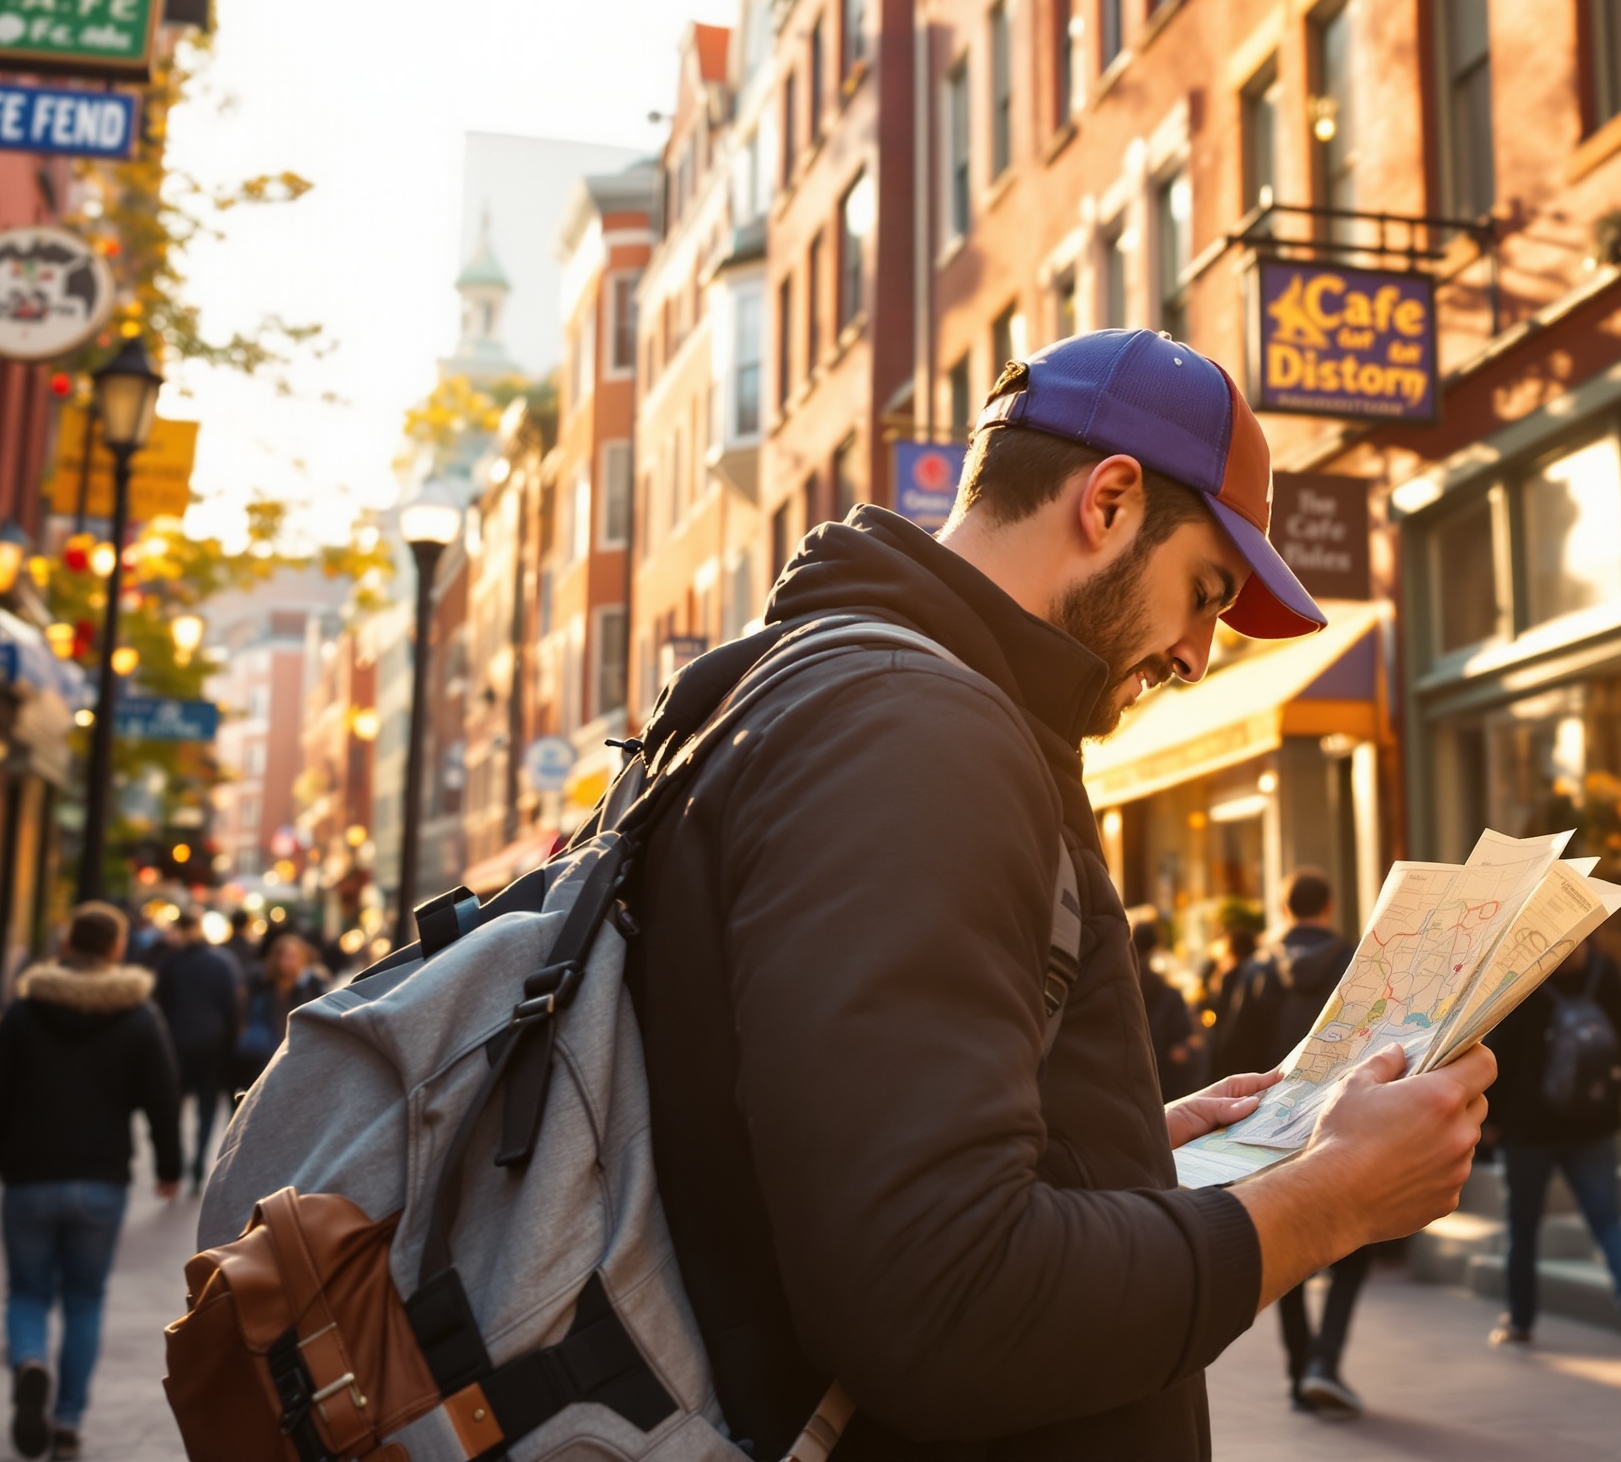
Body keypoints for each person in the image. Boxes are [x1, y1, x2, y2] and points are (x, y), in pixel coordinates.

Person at [626, 329, 1492, 1460]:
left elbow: (815, 1165)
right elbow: (940, 1304)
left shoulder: (836, 692)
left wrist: (1129, 1151)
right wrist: (1331, 1202)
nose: (1196, 654)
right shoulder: (913, 738)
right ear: (1111, 500)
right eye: (1205, 591)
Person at [0, 902, 183, 1461]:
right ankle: (67, 1421)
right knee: (85, 1299)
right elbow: (163, 1098)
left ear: (67, 944)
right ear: (116, 948)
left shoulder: (24, 1012)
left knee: (27, 1292)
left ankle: (30, 1361)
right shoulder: (138, 1016)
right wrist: (170, 1167)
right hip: (100, 1180)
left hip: (28, 1175)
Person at [1483, 938, 1621, 1365]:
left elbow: (1500, 1055)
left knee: (1522, 1228)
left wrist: (1493, 1122)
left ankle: (1521, 1320)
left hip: (1529, 1129)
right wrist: (1608, 1094)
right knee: (1607, 1221)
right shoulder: (1605, 971)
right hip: (1592, 1123)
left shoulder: (1523, 978)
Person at [1249, 870, 1380, 1417]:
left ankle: (1300, 1368)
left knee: (1287, 1241)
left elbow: (1233, 1050)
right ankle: (1324, 1361)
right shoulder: (1357, 962)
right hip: (1343, 1118)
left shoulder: (1257, 971)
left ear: (1285, 908)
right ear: (1327, 907)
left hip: (1272, 1126)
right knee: (1356, 1243)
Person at [150, 919, 243, 1191]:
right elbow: (232, 1006)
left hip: (176, 1043)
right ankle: (198, 1163)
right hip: (212, 1044)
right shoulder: (221, 963)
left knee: (174, 1107)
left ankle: (176, 1164)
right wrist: (230, 1046)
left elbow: (160, 1003)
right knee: (207, 1108)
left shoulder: (171, 963)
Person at [1128, 906, 1206, 1099]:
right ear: (1157, 945)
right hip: (1165, 1085)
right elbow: (1182, 1044)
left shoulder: (1120, 983)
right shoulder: (1167, 992)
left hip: (1130, 1078)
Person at [232, 933, 326, 1090]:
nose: (285, 962)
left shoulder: (310, 984)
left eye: (291, 957)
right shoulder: (260, 980)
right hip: (260, 1053)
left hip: (294, 1055)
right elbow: (245, 1010)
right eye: (282, 956)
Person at [1200, 897, 1275, 1080]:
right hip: (1264, 1056)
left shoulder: (1230, 976)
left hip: (1236, 1060)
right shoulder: (1264, 971)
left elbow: (1227, 1027)